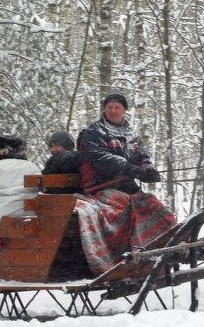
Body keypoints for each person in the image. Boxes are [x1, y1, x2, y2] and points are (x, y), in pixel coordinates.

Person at [75, 93, 176, 275]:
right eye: (110, 107)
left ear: (124, 110)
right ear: (104, 109)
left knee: (153, 204)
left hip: (125, 185)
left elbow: (141, 156)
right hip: (100, 185)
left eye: (117, 107)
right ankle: (122, 254)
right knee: (126, 205)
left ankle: (167, 245)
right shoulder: (94, 132)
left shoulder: (131, 132)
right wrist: (130, 169)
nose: (113, 111)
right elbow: (101, 159)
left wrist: (147, 170)